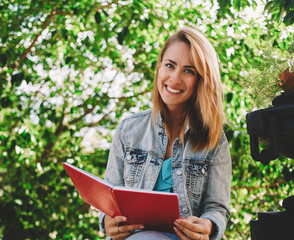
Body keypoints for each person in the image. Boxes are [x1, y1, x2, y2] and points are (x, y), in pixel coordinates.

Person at [99, 26, 231, 240]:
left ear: (201, 80)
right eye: (170, 65)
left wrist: (207, 226)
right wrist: (108, 222)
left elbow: (217, 208)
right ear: (159, 67)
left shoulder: (214, 140)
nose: (175, 78)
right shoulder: (128, 130)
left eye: (189, 71)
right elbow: (111, 201)